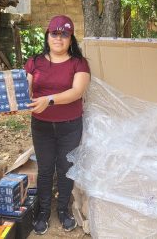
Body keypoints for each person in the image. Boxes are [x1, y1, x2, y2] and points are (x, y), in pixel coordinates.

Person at [24, 15, 91, 235]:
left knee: (65, 168)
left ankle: (63, 210)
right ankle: (43, 211)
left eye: (64, 34)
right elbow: (24, 88)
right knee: (44, 169)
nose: (59, 39)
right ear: (48, 35)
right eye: (55, 33)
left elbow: (77, 91)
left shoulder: (78, 63)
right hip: (41, 125)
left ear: (71, 38)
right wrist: (15, 100)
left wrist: (49, 100)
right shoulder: (35, 62)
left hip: (70, 125)